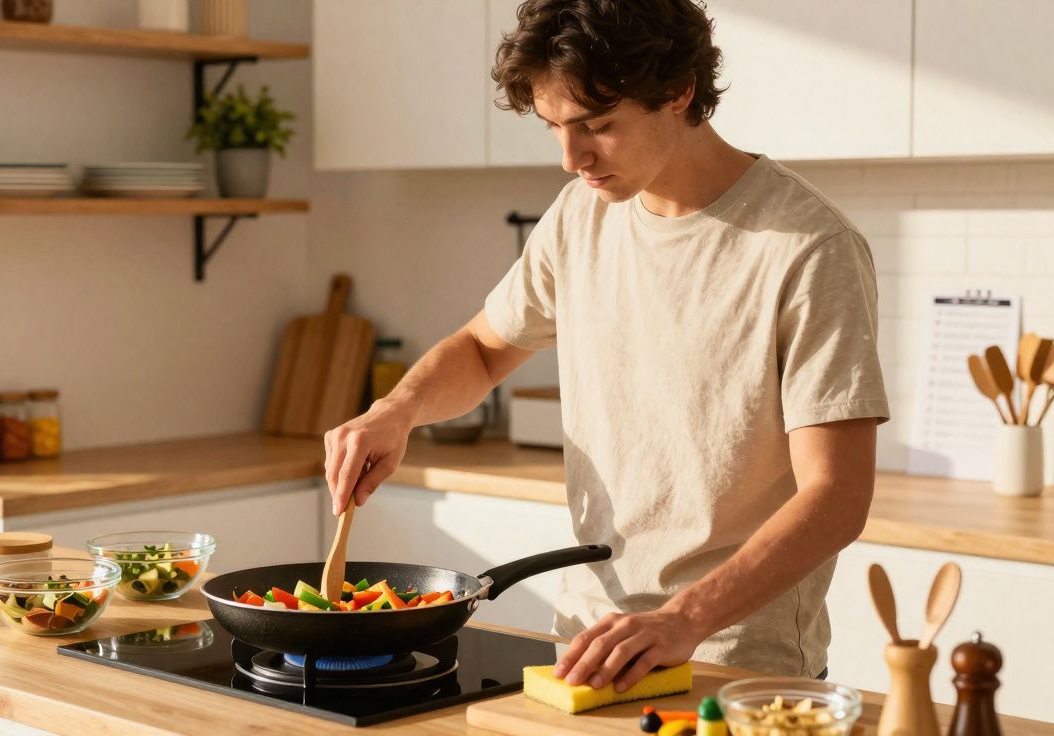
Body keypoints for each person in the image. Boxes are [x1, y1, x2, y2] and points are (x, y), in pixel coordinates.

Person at [322, 0, 889, 691]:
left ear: (679, 92)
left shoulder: (809, 248)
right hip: (588, 649)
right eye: (557, 126)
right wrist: (398, 409)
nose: (572, 158)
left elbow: (837, 495)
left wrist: (683, 617)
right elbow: (481, 349)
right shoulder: (582, 216)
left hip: (733, 665)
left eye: (598, 125)